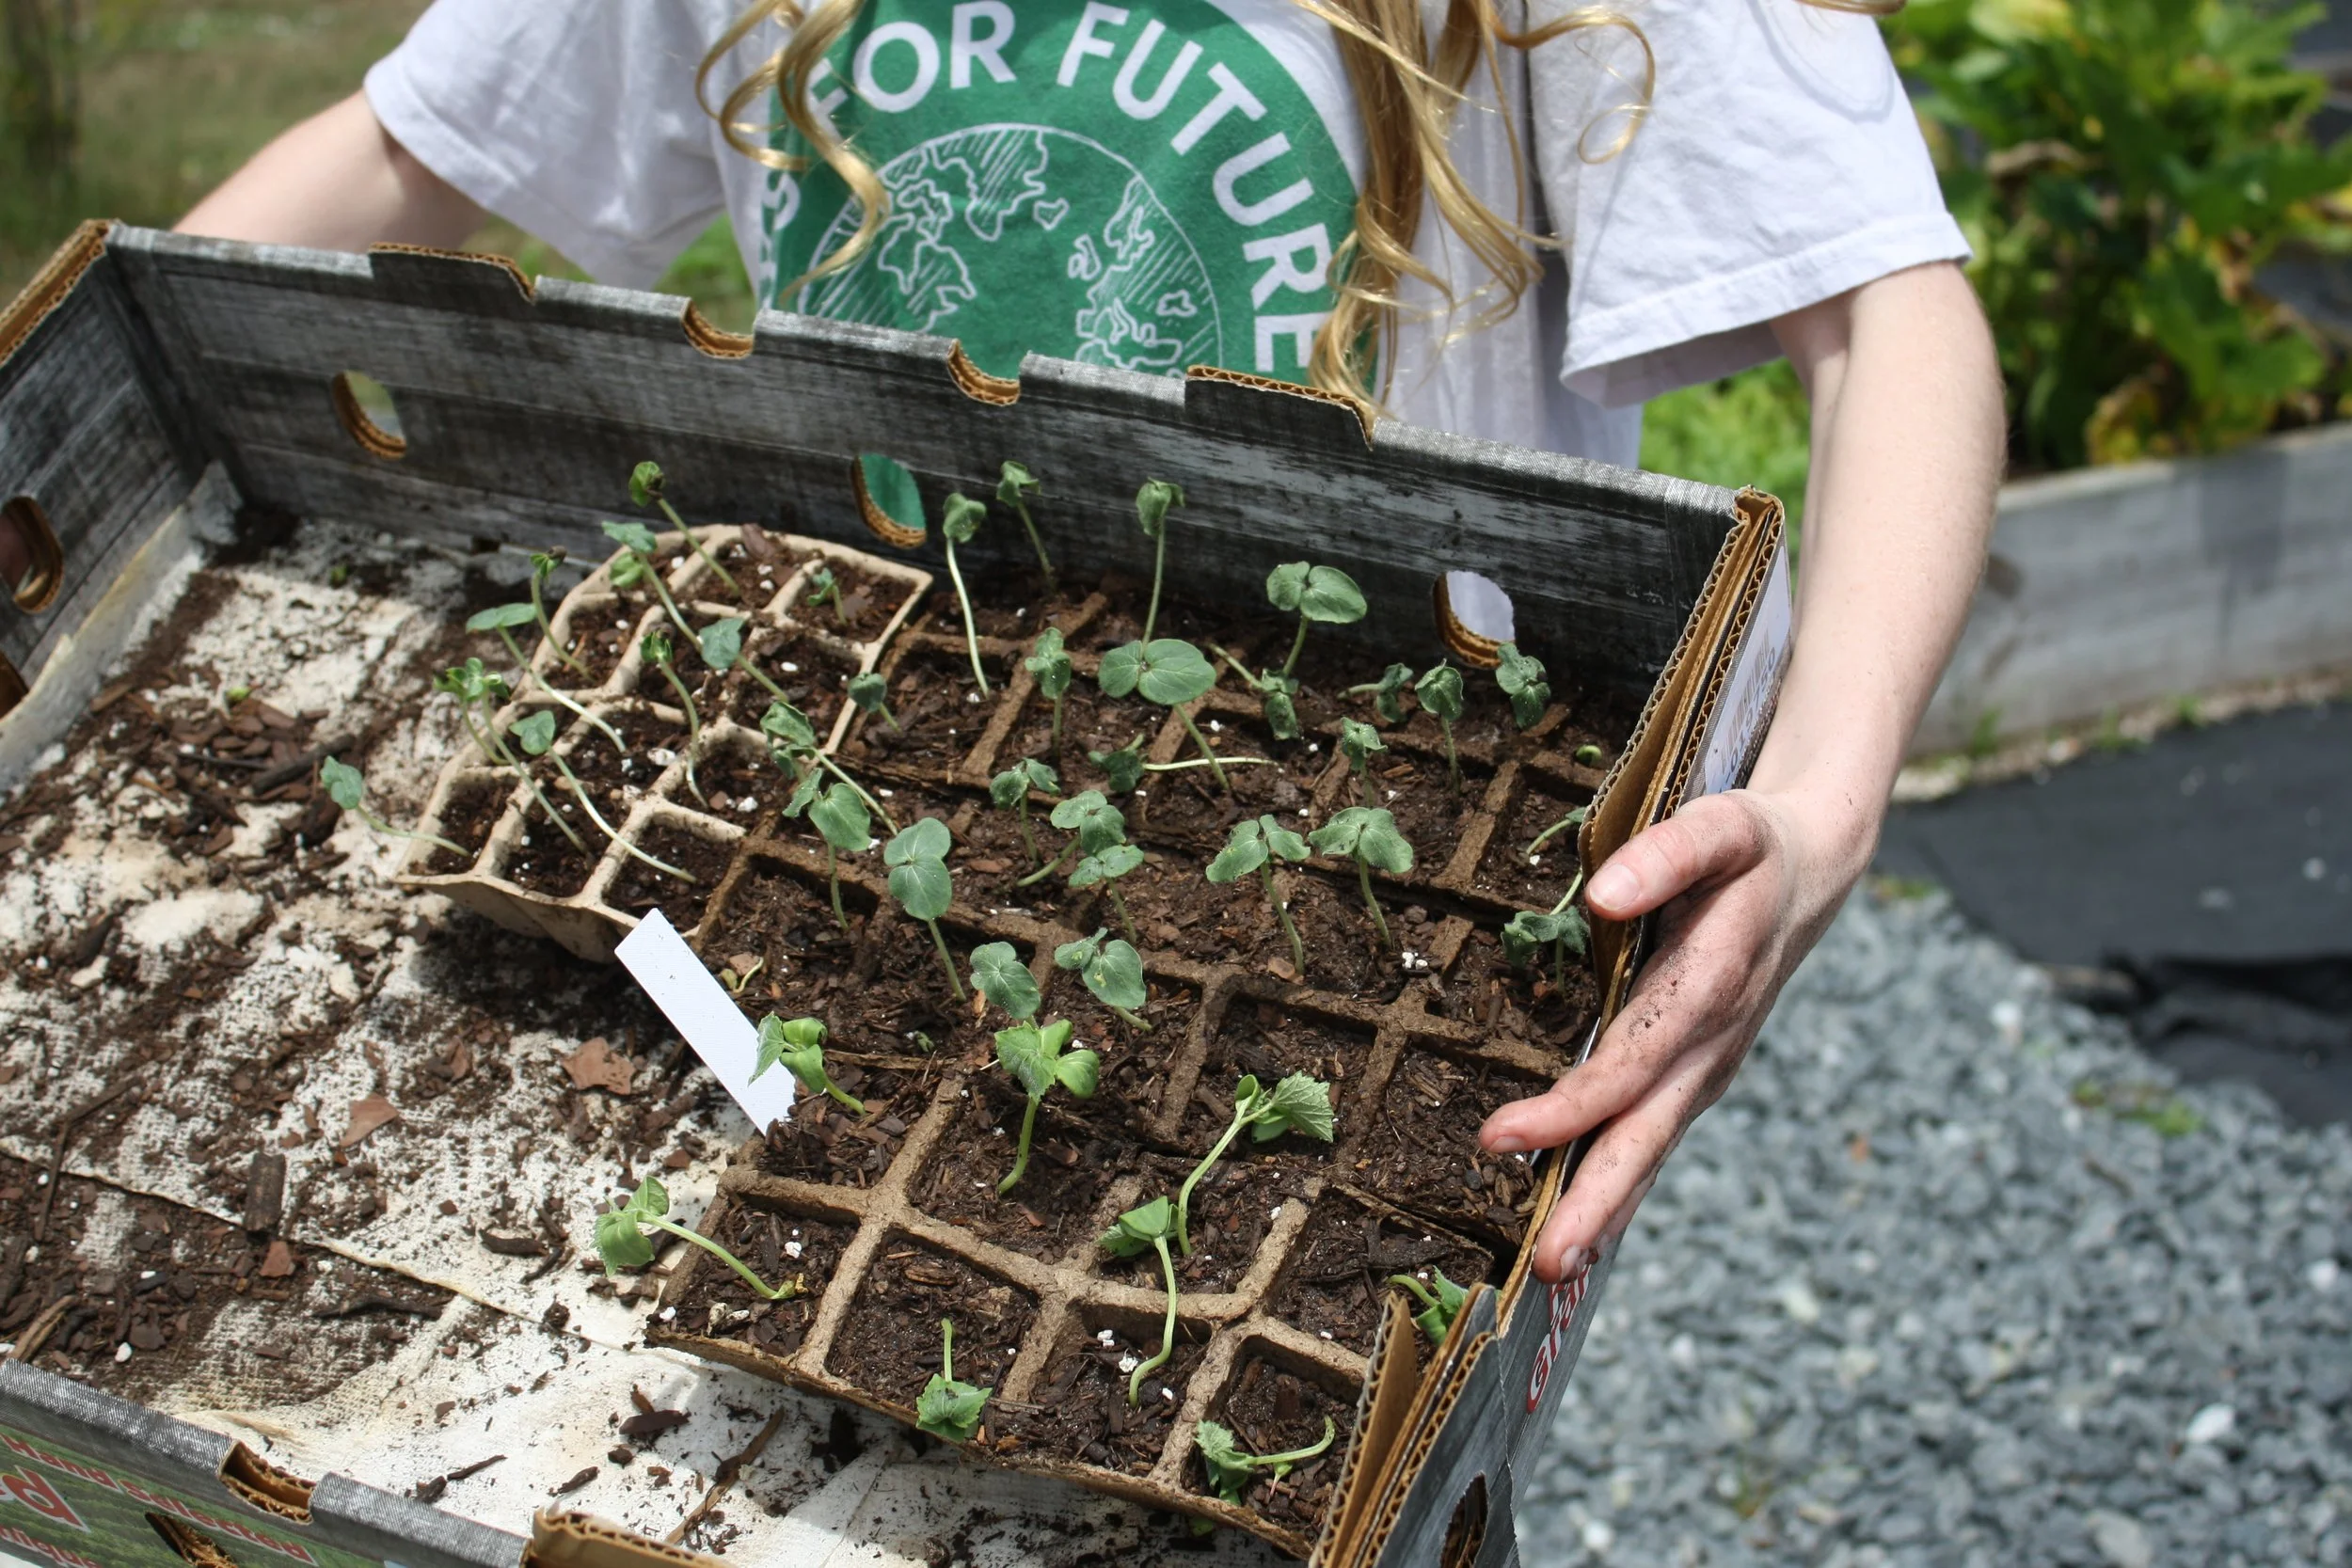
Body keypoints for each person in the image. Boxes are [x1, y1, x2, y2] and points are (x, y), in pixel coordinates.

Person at [180, 0, 2004, 1288]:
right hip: (846, 790)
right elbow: (409, 155)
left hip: (1368, 888)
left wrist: (1823, 799)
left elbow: (1886, 308)